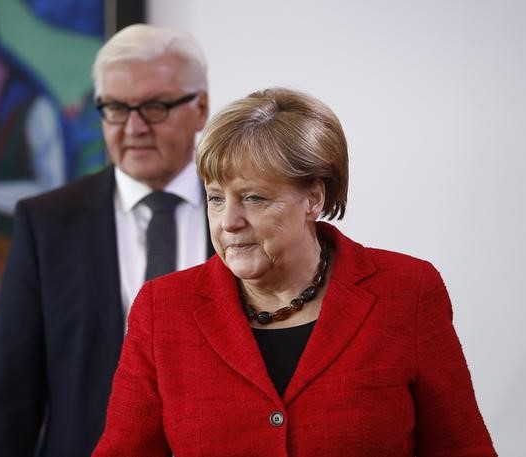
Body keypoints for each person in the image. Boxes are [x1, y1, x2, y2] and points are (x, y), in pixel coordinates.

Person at [93, 87, 497, 456]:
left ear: (313, 198)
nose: (228, 221)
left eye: (253, 198)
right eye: (216, 199)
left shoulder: (407, 292)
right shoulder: (163, 310)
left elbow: (462, 447)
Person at [0, 24, 213, 456]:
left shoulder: (245, 217)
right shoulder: (47, 223)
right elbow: (10, 399)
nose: (135, 127)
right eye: (116, 108)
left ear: (201, 108)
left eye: (155, 106)